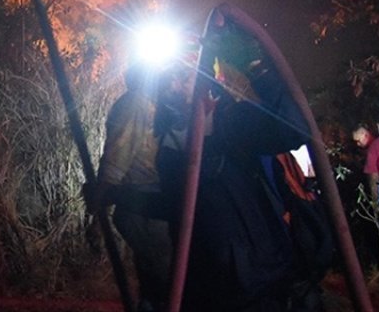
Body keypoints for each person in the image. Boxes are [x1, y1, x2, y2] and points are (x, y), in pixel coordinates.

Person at [158, 21, 311, 312]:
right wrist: (119, 195)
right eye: (168, 76)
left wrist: (257, 67)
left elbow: (295, 129)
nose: (172, 85)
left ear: (209, 81)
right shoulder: (169, 137)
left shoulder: (231, 123)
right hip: (205, 285)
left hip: (254, 284)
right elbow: (178, 205)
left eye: (182, 74)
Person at [91, 63, 174, 312]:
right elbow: (115, 160)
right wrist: (98, 214)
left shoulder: (151, 105)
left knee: (154, 278)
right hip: (144, 206)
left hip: (149, 205)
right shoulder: (135, 105)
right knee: (163, 279)